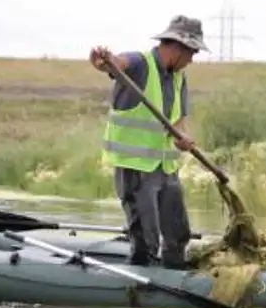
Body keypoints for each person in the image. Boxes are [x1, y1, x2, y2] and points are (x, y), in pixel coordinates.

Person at [89, 15, 208, 270]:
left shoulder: (179, 77)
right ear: (177, 48)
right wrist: (104, 62)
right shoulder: (139, 63)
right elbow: (116, 64)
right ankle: (139, 293)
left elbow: (177, 122)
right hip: (136, 168)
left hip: (166, 169)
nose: (192, 59)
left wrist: (182, 139)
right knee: (146, 239)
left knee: (178, 235)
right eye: (192, 52)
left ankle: (176, 276)